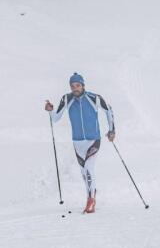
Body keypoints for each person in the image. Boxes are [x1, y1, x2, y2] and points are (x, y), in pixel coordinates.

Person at [45, 73, 115, 213]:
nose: (75, 88)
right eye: (72, 86)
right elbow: (56, 118)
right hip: (77, 142)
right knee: (84, 173)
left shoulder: (94, 98)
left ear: (83, 85)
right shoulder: (66, 99)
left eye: (77, 85)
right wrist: (51, 110)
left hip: (93, 140)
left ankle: (90, 201)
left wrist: (112, 130)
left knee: (89, 168)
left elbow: (109, 110)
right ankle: (92, 192)